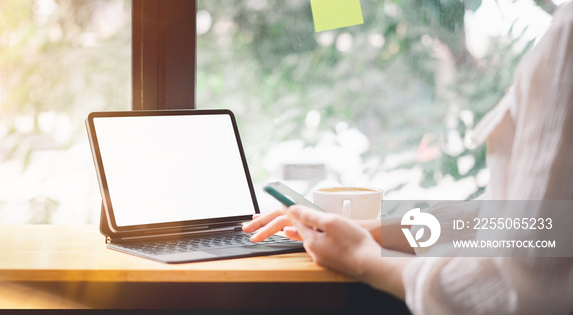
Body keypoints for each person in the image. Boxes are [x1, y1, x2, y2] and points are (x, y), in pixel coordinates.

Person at [244, 3, 573, 314]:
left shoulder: (566, 38)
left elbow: (520, 291)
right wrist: (376, 231)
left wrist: (362, 258)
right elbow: (533, 221)